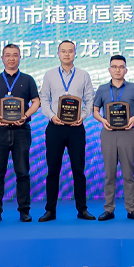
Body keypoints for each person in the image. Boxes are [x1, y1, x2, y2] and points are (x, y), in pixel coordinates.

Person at [0, 43, 41, 224]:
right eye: (8, 55)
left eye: (15, 55)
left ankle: (24, 211)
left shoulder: (28, 79)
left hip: (21, 131)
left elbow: (36, 101)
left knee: (22, 172)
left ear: (20, 57)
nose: (12, 58)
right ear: (2, 58)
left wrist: (25, 116)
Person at [39, 40, 95, 221]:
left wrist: (83, 116)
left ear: (75, 53)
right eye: (63, 51)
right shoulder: (49, 75)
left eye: (70, 51)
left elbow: (90, 100)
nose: (67, 54)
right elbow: (44, 99)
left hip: (76, 128)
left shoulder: (83, 75)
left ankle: (82, 209)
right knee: (53, 170)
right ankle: (50, 210)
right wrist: (51, 116)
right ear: (58, 53)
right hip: (55, 127)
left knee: (78, 170)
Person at [93, 55, 134, 221]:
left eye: (121, 67)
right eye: (114, 67)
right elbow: (95, 111)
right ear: (109, 70)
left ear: (126, 70)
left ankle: (131, 209)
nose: (117, 70)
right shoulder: (102, 89)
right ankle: (109, 209)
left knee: (128, 173)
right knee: (109, 174)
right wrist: (102, 120)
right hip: (108, 133)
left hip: (127, 133)